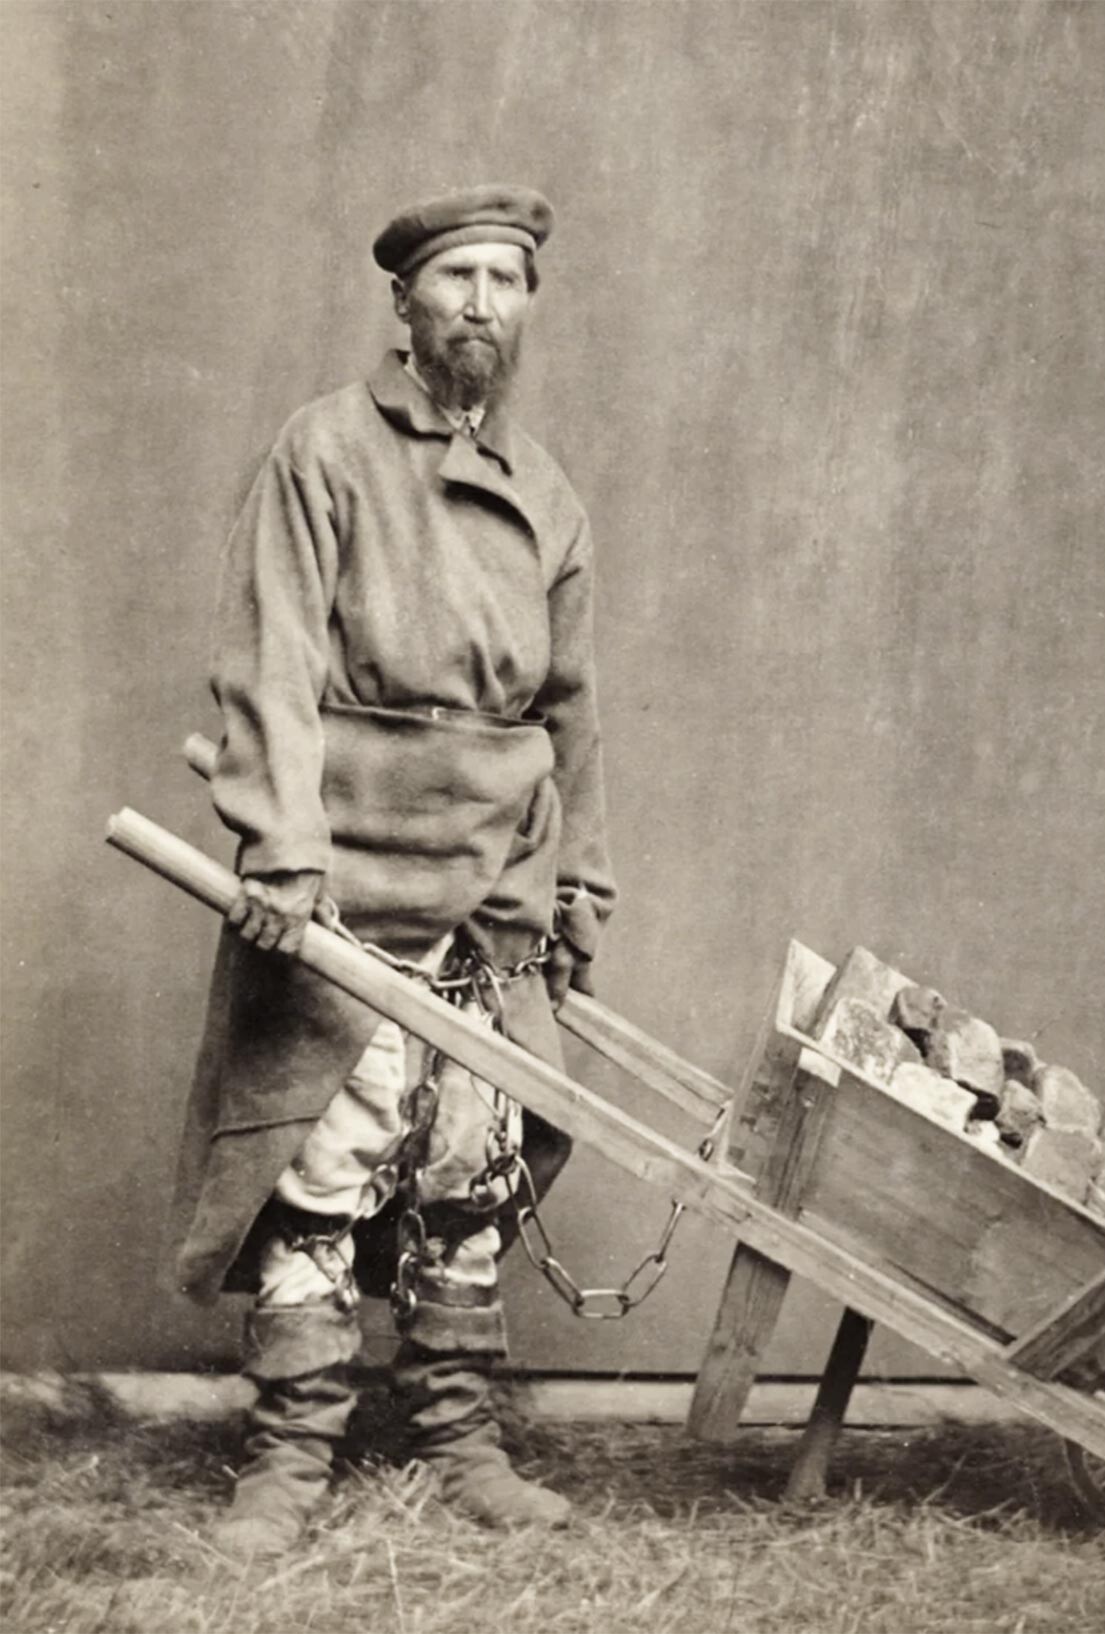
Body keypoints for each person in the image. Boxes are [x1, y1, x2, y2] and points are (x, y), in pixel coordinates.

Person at [172, 185, 616, 1557]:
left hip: (492, 883)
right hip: (346, 876)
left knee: (464, 1164)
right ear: (406, 304)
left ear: (529, 306)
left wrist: (579, 882)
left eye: (509, 280)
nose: (485, 303)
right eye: (459, 277)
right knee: (321, 1153)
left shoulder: (547, 498)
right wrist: (285, 850)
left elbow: (575, 714)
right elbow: (275, 662)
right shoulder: (322, 452)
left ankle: (459, 1439)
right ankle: (289, 1455)